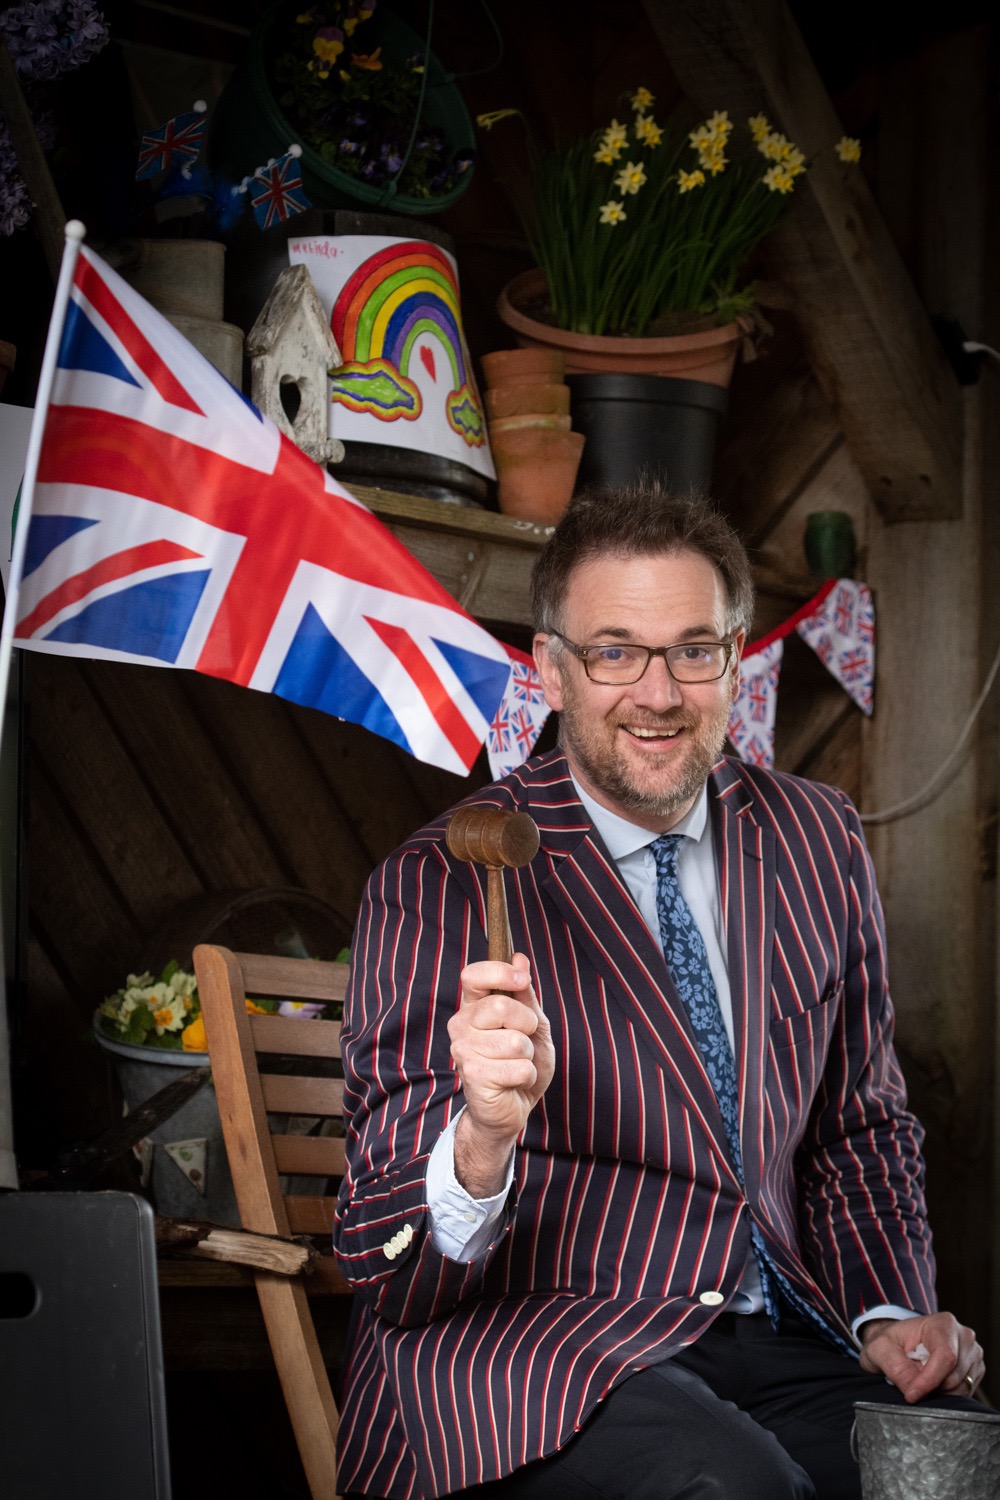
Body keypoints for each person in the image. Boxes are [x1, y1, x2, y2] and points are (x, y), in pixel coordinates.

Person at [332, 485, 984, 1500]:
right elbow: (384, 1256)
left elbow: (860, 1126)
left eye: (693, 649)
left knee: (953, 1462)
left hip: (774, 1334)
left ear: (733, 658)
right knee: (737, 1488)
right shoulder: (444, 878)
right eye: (614, 652)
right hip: (534, 1354)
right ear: (550, 669)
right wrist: (480, 1138)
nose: (659, 693)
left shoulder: (815, 840)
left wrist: (887, 1312)